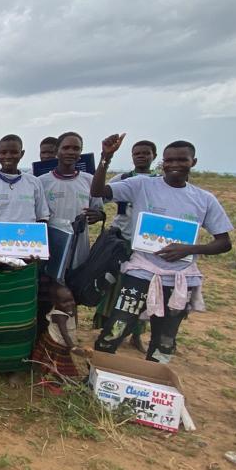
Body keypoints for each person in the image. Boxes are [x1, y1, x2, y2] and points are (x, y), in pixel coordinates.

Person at [90, 135, 233, 363]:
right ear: (162, 162)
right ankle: (96, 374)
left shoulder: (204, 199)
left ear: (193, 162)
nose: (175, 165)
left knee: (166, 337)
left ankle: (154, 379)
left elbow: (224, 242)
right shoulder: (141, 185)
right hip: (141, 272)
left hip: (179, 279)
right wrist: (106, 158)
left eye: (181, 160)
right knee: (117, 326)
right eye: (170, 160)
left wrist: (188, 249)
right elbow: (98, 191)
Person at [0, 134, 50, 385]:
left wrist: (38, 248)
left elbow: (42, 218)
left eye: (13, 152)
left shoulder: (34, 184)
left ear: (22, 154)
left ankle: (16, 367)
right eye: (3, 153)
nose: (8, 157)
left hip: (26, 259)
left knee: (22, 316)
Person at [92, 139, 158, 345]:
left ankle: (136, 334)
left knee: (141, 290)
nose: (141, 156)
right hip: (120, 239)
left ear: (154, 156)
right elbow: (99, 197)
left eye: (146, 153)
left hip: (147, 244)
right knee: (113, 286)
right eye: (136, 153)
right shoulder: (123, 179)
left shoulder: (160, 182)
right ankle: (108, 329)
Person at [38, 132, 104, 273]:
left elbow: (99, 210)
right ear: (57, 151)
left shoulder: (89, 180)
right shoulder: (41, 182)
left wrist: (98, 215)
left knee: (75, 282)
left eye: (75, 148)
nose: (70, 152)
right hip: (51, 243)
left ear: (80, 153)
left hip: (80, 245)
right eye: (66, 148)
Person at [32, 283, 87, 387]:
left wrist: (74, 335)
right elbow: (64, 334)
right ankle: (51, 381)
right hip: (56, 341)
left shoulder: (72, 307)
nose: (69, 304)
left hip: (63, 340)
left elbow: (74, 320)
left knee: (52, 362)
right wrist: (73, 347)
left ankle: (50, 377)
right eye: (64, 302)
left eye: (71, 300)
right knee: (55, 362)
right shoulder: (59, 315)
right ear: (55, 303)